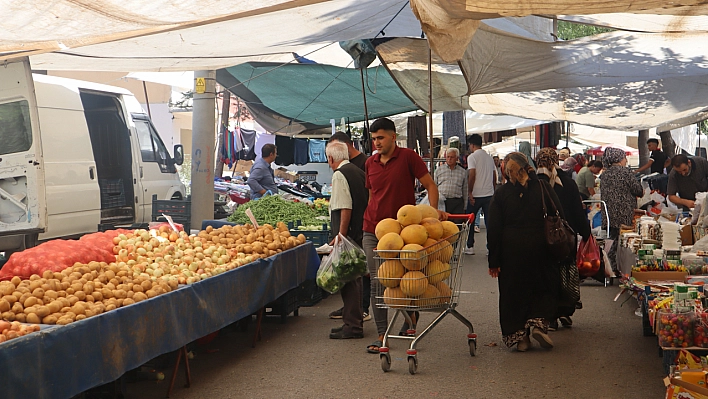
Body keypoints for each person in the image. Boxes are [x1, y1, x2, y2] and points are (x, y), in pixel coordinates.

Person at [362, 117, 445, 354]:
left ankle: (411, 315)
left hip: (405, 232)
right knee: (379, 280)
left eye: (380, 138)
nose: (376, 142)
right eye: (374, 138)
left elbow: (430, 185)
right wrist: (369, 221)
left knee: (406, 279)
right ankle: (381, 335)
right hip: (373, 229)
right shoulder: (370, 163)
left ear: (392, 137)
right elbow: (372, 196)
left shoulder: (409, 156)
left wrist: (432, 214)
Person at [487, 152, 563, 352]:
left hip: (511, 250)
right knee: (542, 285)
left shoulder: (502, 194)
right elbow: (559, 213)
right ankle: (538, 324)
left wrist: (493, 261)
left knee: (514, 293)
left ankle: (521, 338)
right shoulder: (542, 187)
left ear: (507, 170)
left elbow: (493, 229)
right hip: (541, 246)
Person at [536, 148, 591, 330]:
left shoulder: (534, 184)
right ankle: (566, 310)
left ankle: (550, 315)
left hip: (543, 238)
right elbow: (577, 210)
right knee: (566, 273)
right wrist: (586, 232)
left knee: (547, 275)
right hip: (566, 238)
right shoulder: (567, 183)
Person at [327, 131, 371, 322]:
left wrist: (340, 235)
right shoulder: (357, 171)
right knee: (356, 276)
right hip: (360, 229)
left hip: (350, 234)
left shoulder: (339, 175)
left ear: (330, 158)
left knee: (350, 280)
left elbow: (345, 207)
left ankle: (352, 324)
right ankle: (355, 318)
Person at [600, 148, 643, 275]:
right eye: (624, 158)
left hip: (608, 213)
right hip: (624, 212)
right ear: (619, 159)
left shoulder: (605, 174)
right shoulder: (625, 172)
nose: (626, 160)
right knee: (625, 240)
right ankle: (622, 268)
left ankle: (610, 265)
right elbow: (638, 190)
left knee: (612, 239)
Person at [466, 134, 496, 255]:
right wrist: (492, 189)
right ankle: (490, 248)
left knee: (470, 221)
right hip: (489, 194)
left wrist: (470, 192)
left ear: (472, 145)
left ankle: (470, 246)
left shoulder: (472, 157)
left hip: (476, 194)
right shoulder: (489, 158)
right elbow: (494, 176)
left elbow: (472, 174)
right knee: (490, 223)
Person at [434, 148, 468, 214]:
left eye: (452, 157)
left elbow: (465, 190)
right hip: (442, 202)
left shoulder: (463, 172)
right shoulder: (439, 170)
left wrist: (465, 207)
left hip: (457, 202)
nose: (449, 159)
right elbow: (434, 186)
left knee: (457, 223)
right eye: (448, 157)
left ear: (457, 158)